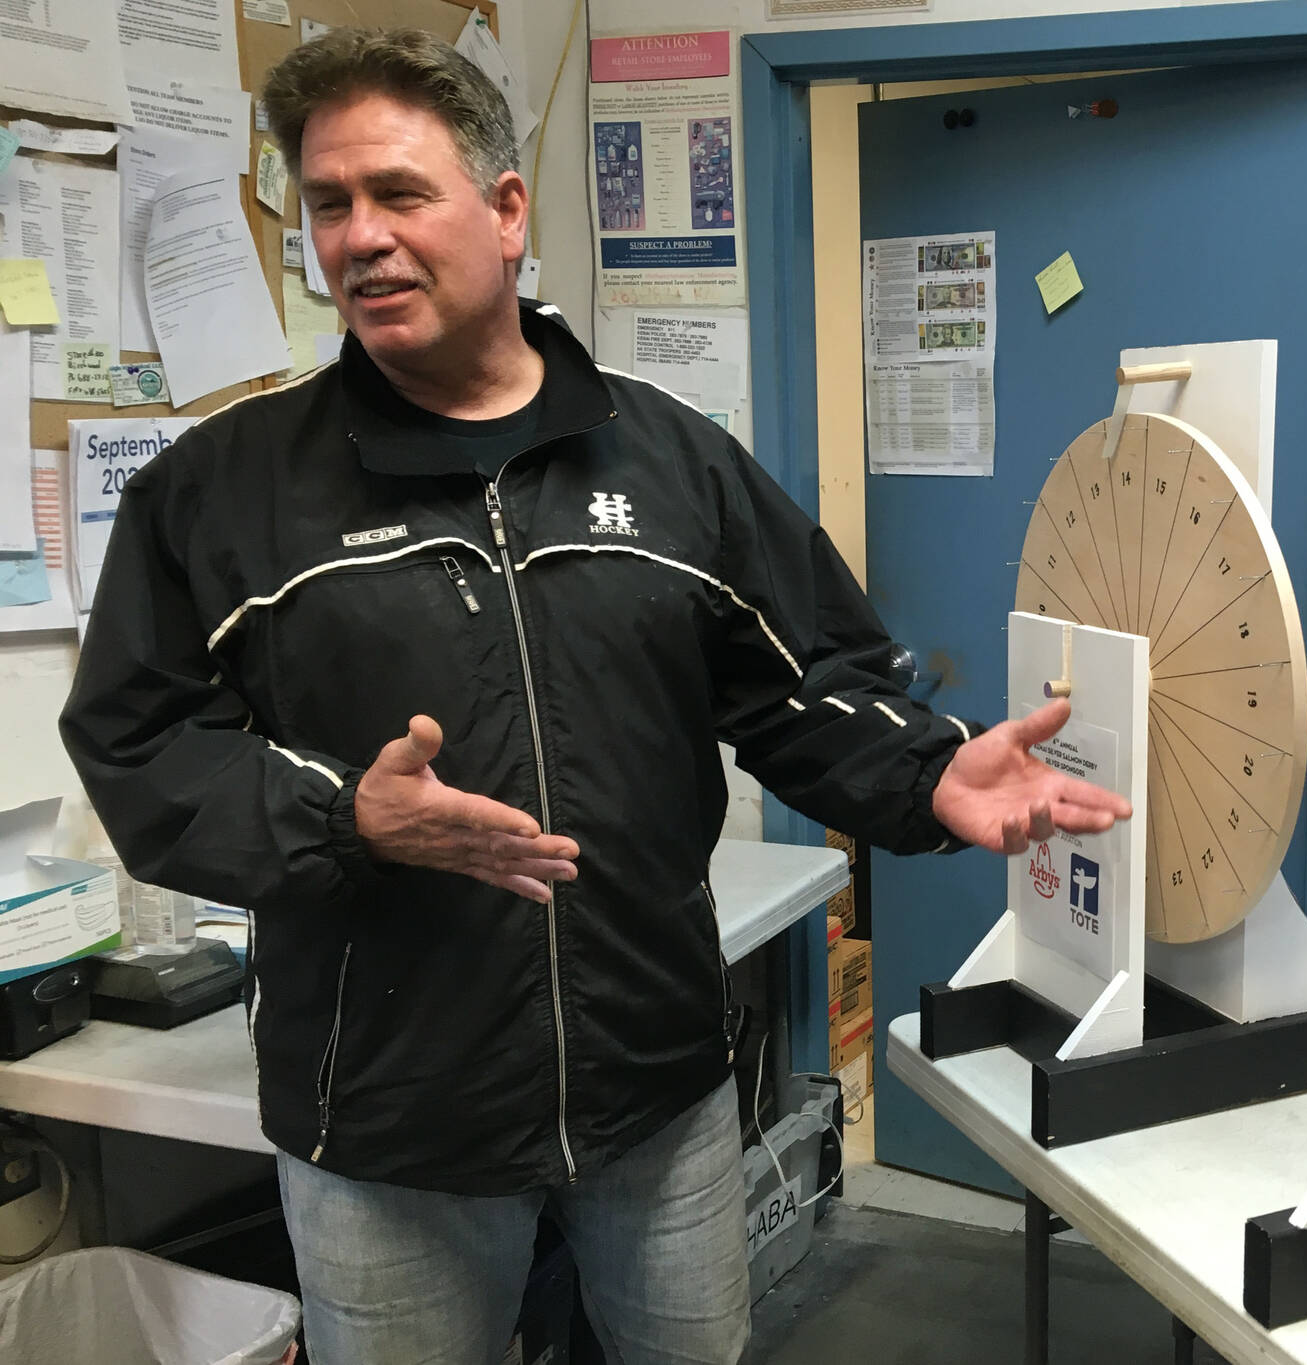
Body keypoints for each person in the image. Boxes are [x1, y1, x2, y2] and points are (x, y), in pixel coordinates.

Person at [58, 26, 1130, 1365]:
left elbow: (811, 681)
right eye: (329, 204)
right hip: (387, 1133)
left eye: (399, 193)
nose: (360, 237)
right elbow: (137, 736)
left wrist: (924, 771)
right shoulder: (221, 493)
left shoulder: (673, 462)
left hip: (653, 1094)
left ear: (507, 213)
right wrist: (343, 819)